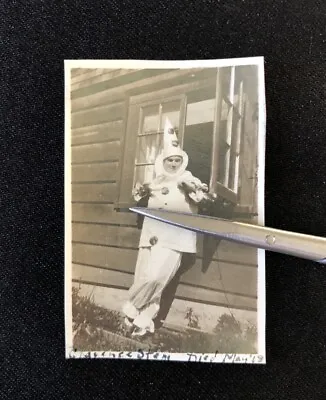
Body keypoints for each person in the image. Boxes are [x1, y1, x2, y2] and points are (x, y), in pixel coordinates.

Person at [122, 118, 209, 338]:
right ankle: (143, 322)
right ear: (163, 161)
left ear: (182, 162)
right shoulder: (156, 181)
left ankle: (130, 309)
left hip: (174, 239)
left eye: (177, 161)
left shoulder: (187, 178)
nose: (173, 164)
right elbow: (138, 194)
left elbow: (200, 195)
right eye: (170, 160)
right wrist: (141, 190)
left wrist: (192, 187)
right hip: (151, 235)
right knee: (144, 277)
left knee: (157, 278)